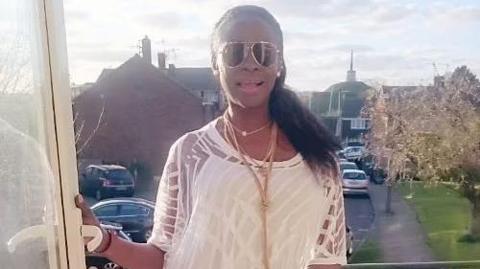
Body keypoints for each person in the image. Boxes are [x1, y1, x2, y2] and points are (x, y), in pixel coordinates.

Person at [76, 5, 346, 269]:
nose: (250, 64)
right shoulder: (191, 154)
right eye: (234, 53)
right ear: (215, 65)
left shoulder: (320, 163)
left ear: (279, 64)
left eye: (264, 53)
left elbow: (327, 262)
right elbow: (161, 257)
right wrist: (103, 240)